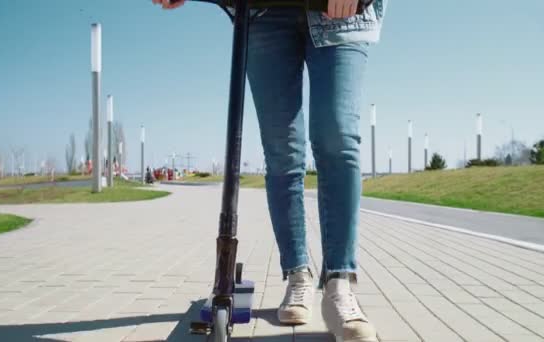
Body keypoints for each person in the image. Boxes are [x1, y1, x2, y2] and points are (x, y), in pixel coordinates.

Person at [153, 1, 385, 341]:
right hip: (264, 13)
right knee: (282, 148)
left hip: (340, 13)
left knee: (337, 134)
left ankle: (339, 283)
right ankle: (297, 276)